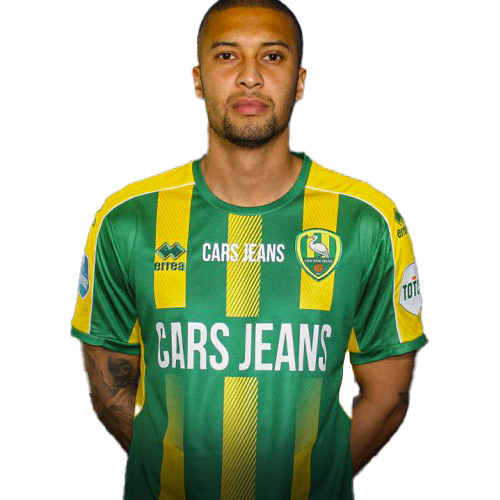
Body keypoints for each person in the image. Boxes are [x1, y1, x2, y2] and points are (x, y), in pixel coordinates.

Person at [70, 0, 427, 498]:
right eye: (227, 56)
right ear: (198, 80)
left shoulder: (369, 220)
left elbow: (389, 398)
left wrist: (309, 487)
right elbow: (109, 391)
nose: (250, 77)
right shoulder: (125, 219)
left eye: (272, 56)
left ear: (299, 81)